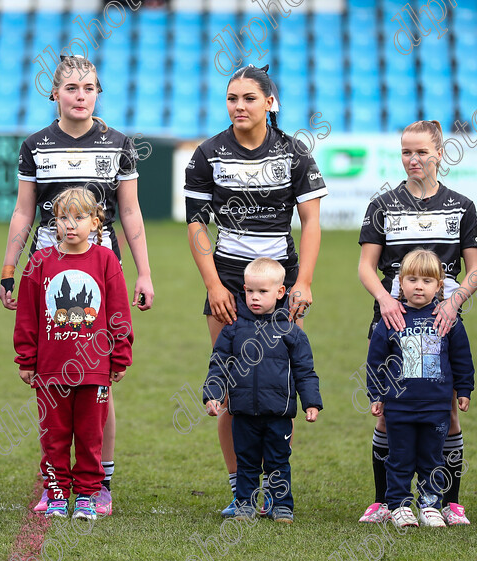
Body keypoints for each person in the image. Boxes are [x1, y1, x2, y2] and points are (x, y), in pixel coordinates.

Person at [0, 54, 152, 516]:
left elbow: (129, 213)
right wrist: (10, 269)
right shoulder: (35, 144)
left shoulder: (118, 143)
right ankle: (56, 483)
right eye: (71, 88)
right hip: (46, 273)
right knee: (53, 380)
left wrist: (143, 272)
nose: (80, 95)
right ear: (55, 93)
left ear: (98, 92)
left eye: (88, 88)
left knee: (97, 383)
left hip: (100, 273)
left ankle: (97, 483)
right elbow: (25, 211)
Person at [184, 64, 327, 516]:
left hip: (282, 280)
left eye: (249, 97)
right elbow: (196, 224)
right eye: (232, 98)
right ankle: (241, 489)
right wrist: (213, 284)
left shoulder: (294, 152)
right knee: (231, 386)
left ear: (270, 102)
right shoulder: (208, 153)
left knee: (277, 384)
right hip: (226, 280)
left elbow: (311, 223)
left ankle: (276, 489)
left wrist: (301, 281)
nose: (239, 106)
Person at [357, 120, 477, 525]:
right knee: (389, 411)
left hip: (442, 323)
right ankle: (385, 500)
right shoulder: (383, 205)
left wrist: (455, 300)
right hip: (392, 322)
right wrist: (384, 301)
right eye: (407, 151)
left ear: (439, 153)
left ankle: (449, 500)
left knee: (446, 411)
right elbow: (366, 267)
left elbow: (474, 270)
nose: (413, 159)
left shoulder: (462, 206)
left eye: (422, 151)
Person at [13, 188, 134, 520]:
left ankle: (86, 495)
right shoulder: (39, 262)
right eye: (63, 218)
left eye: (79, 217)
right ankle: (55, 493)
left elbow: (119, 313)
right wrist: (26, 358)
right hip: (51, 371)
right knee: (54, 438)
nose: (70, 225)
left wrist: (120, 355)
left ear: (96, 223)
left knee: (90, 437)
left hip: (94, 370)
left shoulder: (107, 260)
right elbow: (27, 315)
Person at [202, 257, 322, 524]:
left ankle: (281, 505)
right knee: (246, 461)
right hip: (243, 412)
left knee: (279, 461)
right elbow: (218, 364)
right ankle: (244, 505)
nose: (254, 297)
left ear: (280, 292)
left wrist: (311, 402)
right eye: (250, 291)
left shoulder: (291, 331)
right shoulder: (233, 329)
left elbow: (305, 370)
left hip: (278, 413)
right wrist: (213, 394)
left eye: (263, 292)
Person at [366, 249, 474, 528]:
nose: (418, 286)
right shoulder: (390, 320)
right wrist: (375, 394)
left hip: (437, 408)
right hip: (399, 408)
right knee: (399, 459)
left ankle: (430, 505)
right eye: (412, 279)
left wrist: (464, 389)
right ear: (400, 283)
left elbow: (461, 358)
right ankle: (400, 506)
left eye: (427, 281)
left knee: (432, 459)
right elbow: (376, 361)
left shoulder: (448, 320)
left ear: (439, 287)